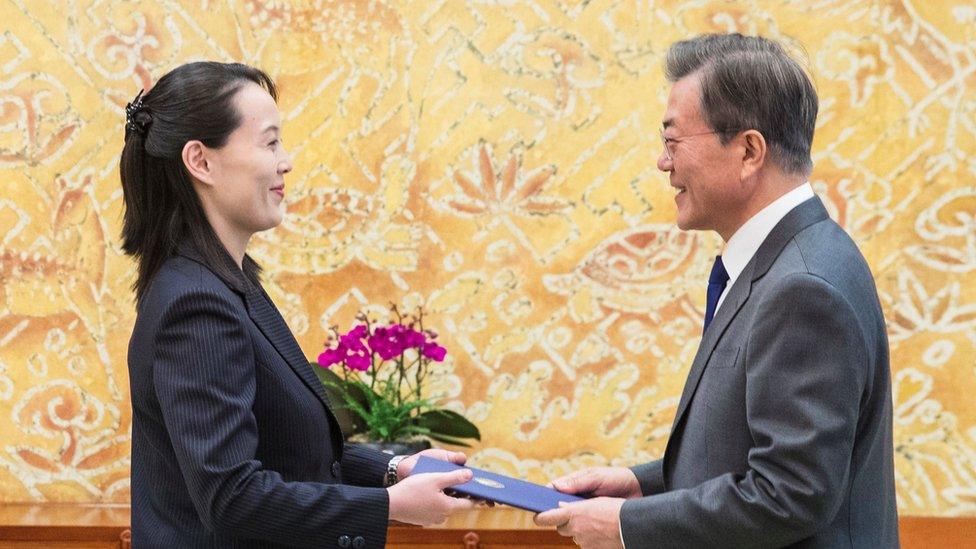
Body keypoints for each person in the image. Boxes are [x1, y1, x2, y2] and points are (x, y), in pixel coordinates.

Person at [536, 33, 898, 548]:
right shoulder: (794, 257)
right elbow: (752, 450)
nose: (664, 164)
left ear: (749, 150)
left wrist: (625, 526)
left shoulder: (802, 287)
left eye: (673, 142)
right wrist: (645, 485)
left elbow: (790, 493)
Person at [121, 61, 475, 548]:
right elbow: (232, 499)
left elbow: (289, 451)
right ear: (200, 161)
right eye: (269, 143)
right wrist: (392, 507)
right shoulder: (196, 305)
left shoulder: (228, 282)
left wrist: (394, 469)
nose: (286, 161)